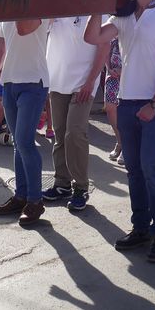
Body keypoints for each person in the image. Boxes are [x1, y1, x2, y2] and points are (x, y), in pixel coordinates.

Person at [85, 0, 155, 263]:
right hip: (127, 102)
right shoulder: (124, 17)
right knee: (134, 170)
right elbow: (92, 38)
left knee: (151, 169)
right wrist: (98, 4)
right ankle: (139, 227)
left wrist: (154, 104)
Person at [41, 16, 111, 212]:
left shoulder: (97, 11)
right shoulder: (57, 4)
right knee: (60, 133)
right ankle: (61, 183)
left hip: (83, 84)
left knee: (75, 133)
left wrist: (90, 81)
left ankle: (80, 187)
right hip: (57, 80)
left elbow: (103, 48)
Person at [0, 17, 50, 224]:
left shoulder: (41, 9)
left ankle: (35, 201)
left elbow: (23, 28)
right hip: (9, 83)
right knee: (18, 143)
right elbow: (0, 50)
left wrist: (15, 4)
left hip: (34, 83)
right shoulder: (6, 14)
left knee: (25, 142)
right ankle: (21, 196)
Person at [103, 39, 123, 162]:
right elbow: (105, 50)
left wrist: (124, 71)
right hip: (113, 75)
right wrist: (109, 68)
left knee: (125, 111)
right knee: (110, 108)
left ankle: (127, 146)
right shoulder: (113, 28)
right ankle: (120, 141)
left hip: (131, 76)